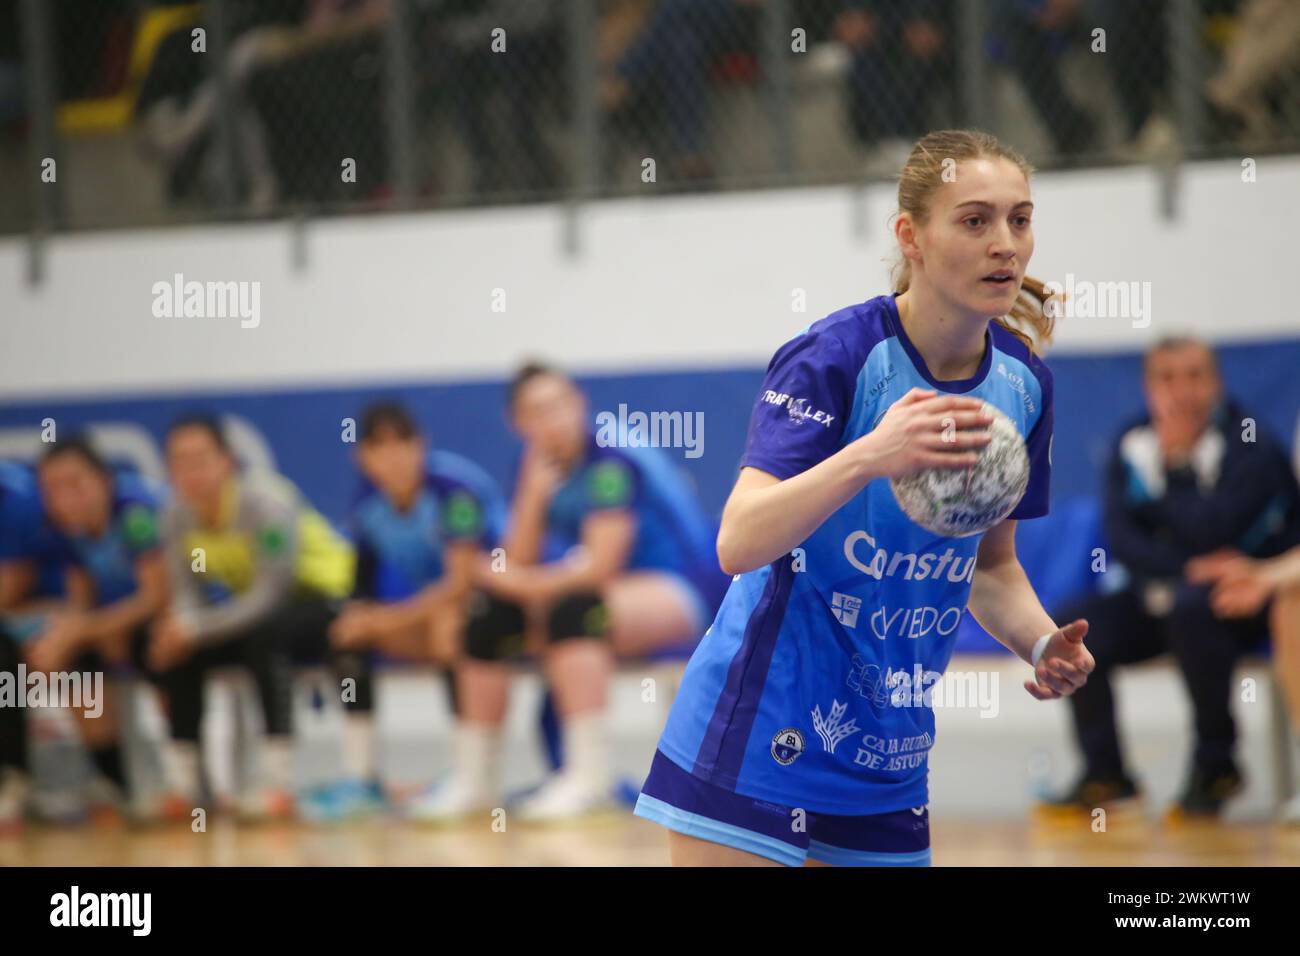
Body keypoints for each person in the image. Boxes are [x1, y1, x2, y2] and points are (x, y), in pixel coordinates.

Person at [634, 129, 1091, 867]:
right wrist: (869, 456)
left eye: (1020, 219)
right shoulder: (838, 358)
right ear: (911, 236)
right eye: (975, 221)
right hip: (762, 726)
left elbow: (990, 567)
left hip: (886, 751)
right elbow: (739, 540)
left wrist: (1039, 642)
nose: (1005, 243)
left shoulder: (1025, 385)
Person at [412, 364, 718, 823]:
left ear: (580, 404)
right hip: (609, 590)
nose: (553, 418)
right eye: (538, 411)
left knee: (576, 611)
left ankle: (589, 780)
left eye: (560, 404)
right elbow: (518, 558)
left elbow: (596, 567)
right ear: (519, 424)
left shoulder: (609, 461)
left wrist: (516, 582)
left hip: (680, 589)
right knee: (488, 621)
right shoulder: (536, 465)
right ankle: (475, 781)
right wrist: (532, 497)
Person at [1043, 338, 1300, 819]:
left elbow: (1216, 529)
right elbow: (1122, 539)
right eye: (1167, 377)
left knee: (1192, 608)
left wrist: (1178, 467)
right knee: (1076, 626)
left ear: (1217, 382)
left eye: (1194, 375)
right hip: (1163, 592)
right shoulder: (1130, 442)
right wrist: (1182, 566)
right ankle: (1107, 775)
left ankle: (1215, 767)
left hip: (1242, 602)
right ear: (1148, 386)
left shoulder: (1250, 439)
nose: (1181, 390)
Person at [303, 401, 503, 820]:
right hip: (429, 612)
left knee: (452, 627)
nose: (393, 458)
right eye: (379, 447)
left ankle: (472, 777)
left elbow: (462, 584)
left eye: (403, 445)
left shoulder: (454, 492)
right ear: (361, 457)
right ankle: (361, 777)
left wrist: (387, 620)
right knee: (350, 632)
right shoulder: (367, 505)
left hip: (495, 607)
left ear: (421, 446)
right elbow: (363, 586)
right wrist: (363, 619)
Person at [151, 414, 355, 821]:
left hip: (322, 597)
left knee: (263, 638)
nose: (190, 471)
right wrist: (182, 627)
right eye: (180, 461)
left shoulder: (266, 502)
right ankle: (185, 785)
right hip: (256, 611)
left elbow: (271, 592)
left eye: (200, 459)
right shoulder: (176, 517)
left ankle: (277, 783)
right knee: (175, 647)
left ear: (227, 461)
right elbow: (187, 594)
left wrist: (196, 626)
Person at [25, 437, 171, 822]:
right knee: (64, 660)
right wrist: (60, 638)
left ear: (104, 480)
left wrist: (87, 629)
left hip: (173, 613)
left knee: (154, 647)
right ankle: (115, 782)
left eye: (74, 484)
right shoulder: (63, 528)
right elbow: (80, 601)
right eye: (52, 489)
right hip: (115, 621)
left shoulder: (137, 513)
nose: (64, 498)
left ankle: (177, 783)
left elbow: (157, 596)